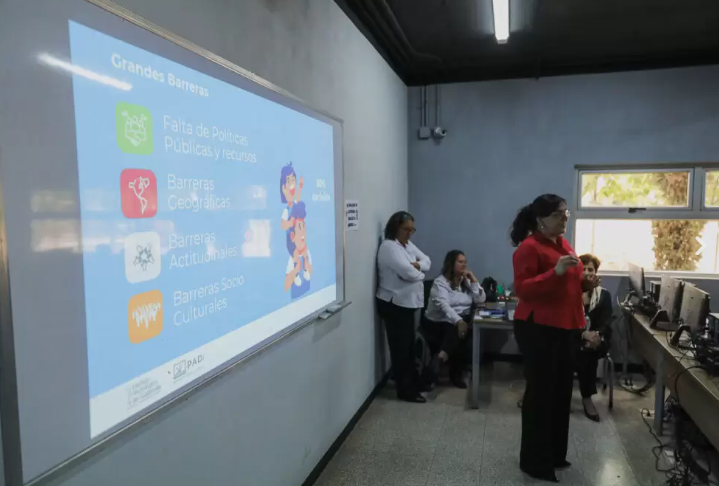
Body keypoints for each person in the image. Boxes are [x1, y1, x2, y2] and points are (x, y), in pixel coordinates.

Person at [510, 194, 599, 483]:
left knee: (561, 394)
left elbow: (567, 283)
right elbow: (523, 289)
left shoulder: (563, 243)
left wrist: (584, 282)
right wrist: (554, 272)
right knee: (540, 396)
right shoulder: (528, 248)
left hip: (565, 327)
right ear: (540, 220)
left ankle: (555, 454)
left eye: (566, 213)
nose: (564, 219)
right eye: (558, 215)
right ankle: (534, 461)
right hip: (539, 329)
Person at [376, 211, 431, 403]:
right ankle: (405, 390)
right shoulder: (389, 247)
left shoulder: (406, 245)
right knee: (400, 349)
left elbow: (427, 261)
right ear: (395, 227)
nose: (409, 233)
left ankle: (413, 382)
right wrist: (419, 271)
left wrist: (417, 266)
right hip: (394, 304)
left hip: (406, 304)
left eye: (412, 230)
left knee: (409, 347)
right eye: (406, 229)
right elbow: (408, 273)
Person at [423, 250, 486, 388]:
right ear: (451, 264)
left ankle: (441, 358)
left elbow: (481, 299)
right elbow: (444, 306)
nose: (464, 265)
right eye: (460, 262)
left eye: (465, 262)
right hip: (437, 321)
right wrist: (459, 321)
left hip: (458, 320)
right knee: (457, 329)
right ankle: (454, 374)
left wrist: (473, 279)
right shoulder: (440, 283)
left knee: (459, 330)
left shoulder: (465, 281)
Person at [577, 253, 612, 423]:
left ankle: (587, 399)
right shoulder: (571, 293)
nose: (586, 272)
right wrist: (583, 334)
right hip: (575, 336)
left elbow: (606, 322)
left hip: (598, 339)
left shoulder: (603, 295)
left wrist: (597, 335)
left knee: (588, 351)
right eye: (582, 269)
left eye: (590, 269)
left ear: (595, 272)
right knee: (575, 349)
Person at [284, 202, 312, 299]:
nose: (303, 232)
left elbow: (312, 271)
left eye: (304, 226)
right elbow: (286, 286)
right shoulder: (292, 260)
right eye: (300, 227)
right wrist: (295, 271)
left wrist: (306, 265)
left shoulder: (306, 254)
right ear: (292, 236)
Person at [280, 162, 303, 231]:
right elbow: (283, 226)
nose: (291, 185)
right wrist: (292, 222)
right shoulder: (286, 211)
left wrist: (300, 187)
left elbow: (298, 199)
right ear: (283, 187)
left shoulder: (294, 204)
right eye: (288, 181)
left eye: (293, 180)